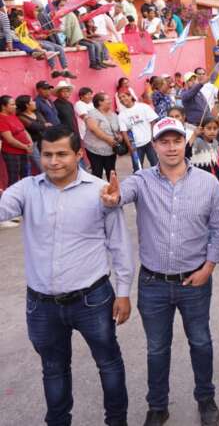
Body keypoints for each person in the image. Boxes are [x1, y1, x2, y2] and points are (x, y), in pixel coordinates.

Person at [100, 117, 219, 426]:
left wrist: (208, 268)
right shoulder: (141, 180)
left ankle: (205, 398)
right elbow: (119, 197)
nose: (170, 147)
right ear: (154, 145)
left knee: (200, 342)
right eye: (164, 141)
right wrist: (112, 198)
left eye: (176, 140)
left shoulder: (208, 183)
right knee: (157, 349)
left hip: (195, 281)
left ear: (184, 142)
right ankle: (158, 406)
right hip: (153, 283)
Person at [0, 126, 134, 426]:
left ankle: (117, 421)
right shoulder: (26, 190)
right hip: (42, 305)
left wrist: (123, 292)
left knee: (109, 364)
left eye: (62, 154)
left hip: (93, 300)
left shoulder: (100, 191)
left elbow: (119, 245)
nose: (53, 161)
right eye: (47, 154)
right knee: (53, 369)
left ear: (78, 154)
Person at [83, 93, 122, 181]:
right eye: (107, 99)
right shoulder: (92, 113)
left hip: (110, 150)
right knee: (97, 172)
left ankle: (114, 191)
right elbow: (94, 129)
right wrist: (108, 139)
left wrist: (119, 137)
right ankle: (97, 192)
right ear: (100, 102)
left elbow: (117, 130)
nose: (110, 101)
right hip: (95, 149)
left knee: (111, 172)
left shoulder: (114, 115)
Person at [117, 91, 159, 172]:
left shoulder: (143, 107)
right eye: (120, 98)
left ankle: (159, 180)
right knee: (137, 168)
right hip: (135, 146)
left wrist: (153, 138)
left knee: (155, 164)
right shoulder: (122, 115)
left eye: (124, 96)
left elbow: (153, 121)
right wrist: (129, 146)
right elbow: (124, 132)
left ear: (130, 96)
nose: (122, 99)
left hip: (149, 142)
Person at [0, 94, 33, 184]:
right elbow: (9, 140)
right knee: (14, 179)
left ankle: (25, 196)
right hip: (12, 153)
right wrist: (25, 147)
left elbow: (24, 130)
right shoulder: (1, 119)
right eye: (12, 104)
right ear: (4, 106)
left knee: (26, 177)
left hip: (24, 151)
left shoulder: (12, 116)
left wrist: (30, 142)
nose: (15, 106)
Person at [16, 94, 47, 172]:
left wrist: (43, 125)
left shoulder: (36, 112)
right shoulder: (21, 117)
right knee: (41, 164)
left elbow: (44, 124)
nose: (34, 102)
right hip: (33, 143)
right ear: (27, 105)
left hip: (43, 140)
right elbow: (35, 126)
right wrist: (43, 125)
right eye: (32, 101)